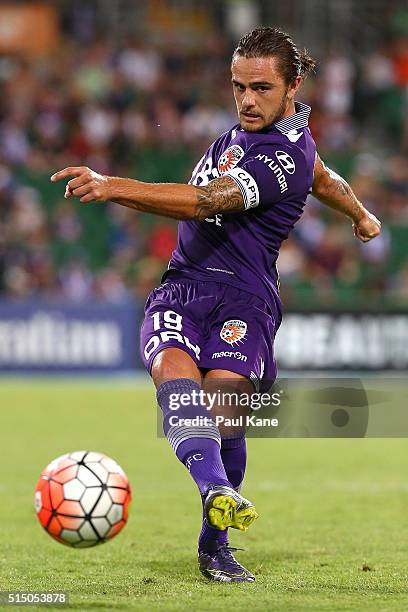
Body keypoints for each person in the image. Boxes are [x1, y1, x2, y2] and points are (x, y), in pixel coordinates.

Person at [51, 27, 381, 583]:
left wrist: (112, 186)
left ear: (293, 86)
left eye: (261, 88)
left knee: (225, 405)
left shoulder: (282, 157)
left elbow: (208, 202)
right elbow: (327, 177)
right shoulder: (269, 136)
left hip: (244, 297)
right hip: (183, 283)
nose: (247, 100)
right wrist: (360, 213)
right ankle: (217, 491)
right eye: (238, 87)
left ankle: (215, 546)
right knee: (171, 372)